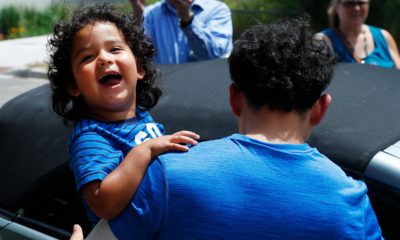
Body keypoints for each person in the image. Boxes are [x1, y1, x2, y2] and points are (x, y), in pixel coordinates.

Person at [71, 15, 383, 239]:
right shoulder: (351, 202)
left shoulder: (166, 176)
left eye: (114, 50)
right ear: (321, 108)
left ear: (234, 98)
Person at [47, 4, 199, 226]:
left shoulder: (141, 117)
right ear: (73, 85)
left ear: (139, 68)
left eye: (115, 49)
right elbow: (102, 204)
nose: (104, 59)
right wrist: (144, 151)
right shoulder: (91, 137)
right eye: (88, 57)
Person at [129, 0, 233, 64]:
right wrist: (138, 16)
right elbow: (140, 55)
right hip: (166, 93)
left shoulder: (217, 10)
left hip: (206, 89)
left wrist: (188, 20)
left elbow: (213, 56)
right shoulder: (149, 14)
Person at [316, 0, 400, 68]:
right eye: (349, 3)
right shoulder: (323, 41)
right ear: (336, 6)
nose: (356, 8)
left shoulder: (384, 37)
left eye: (361, 3)